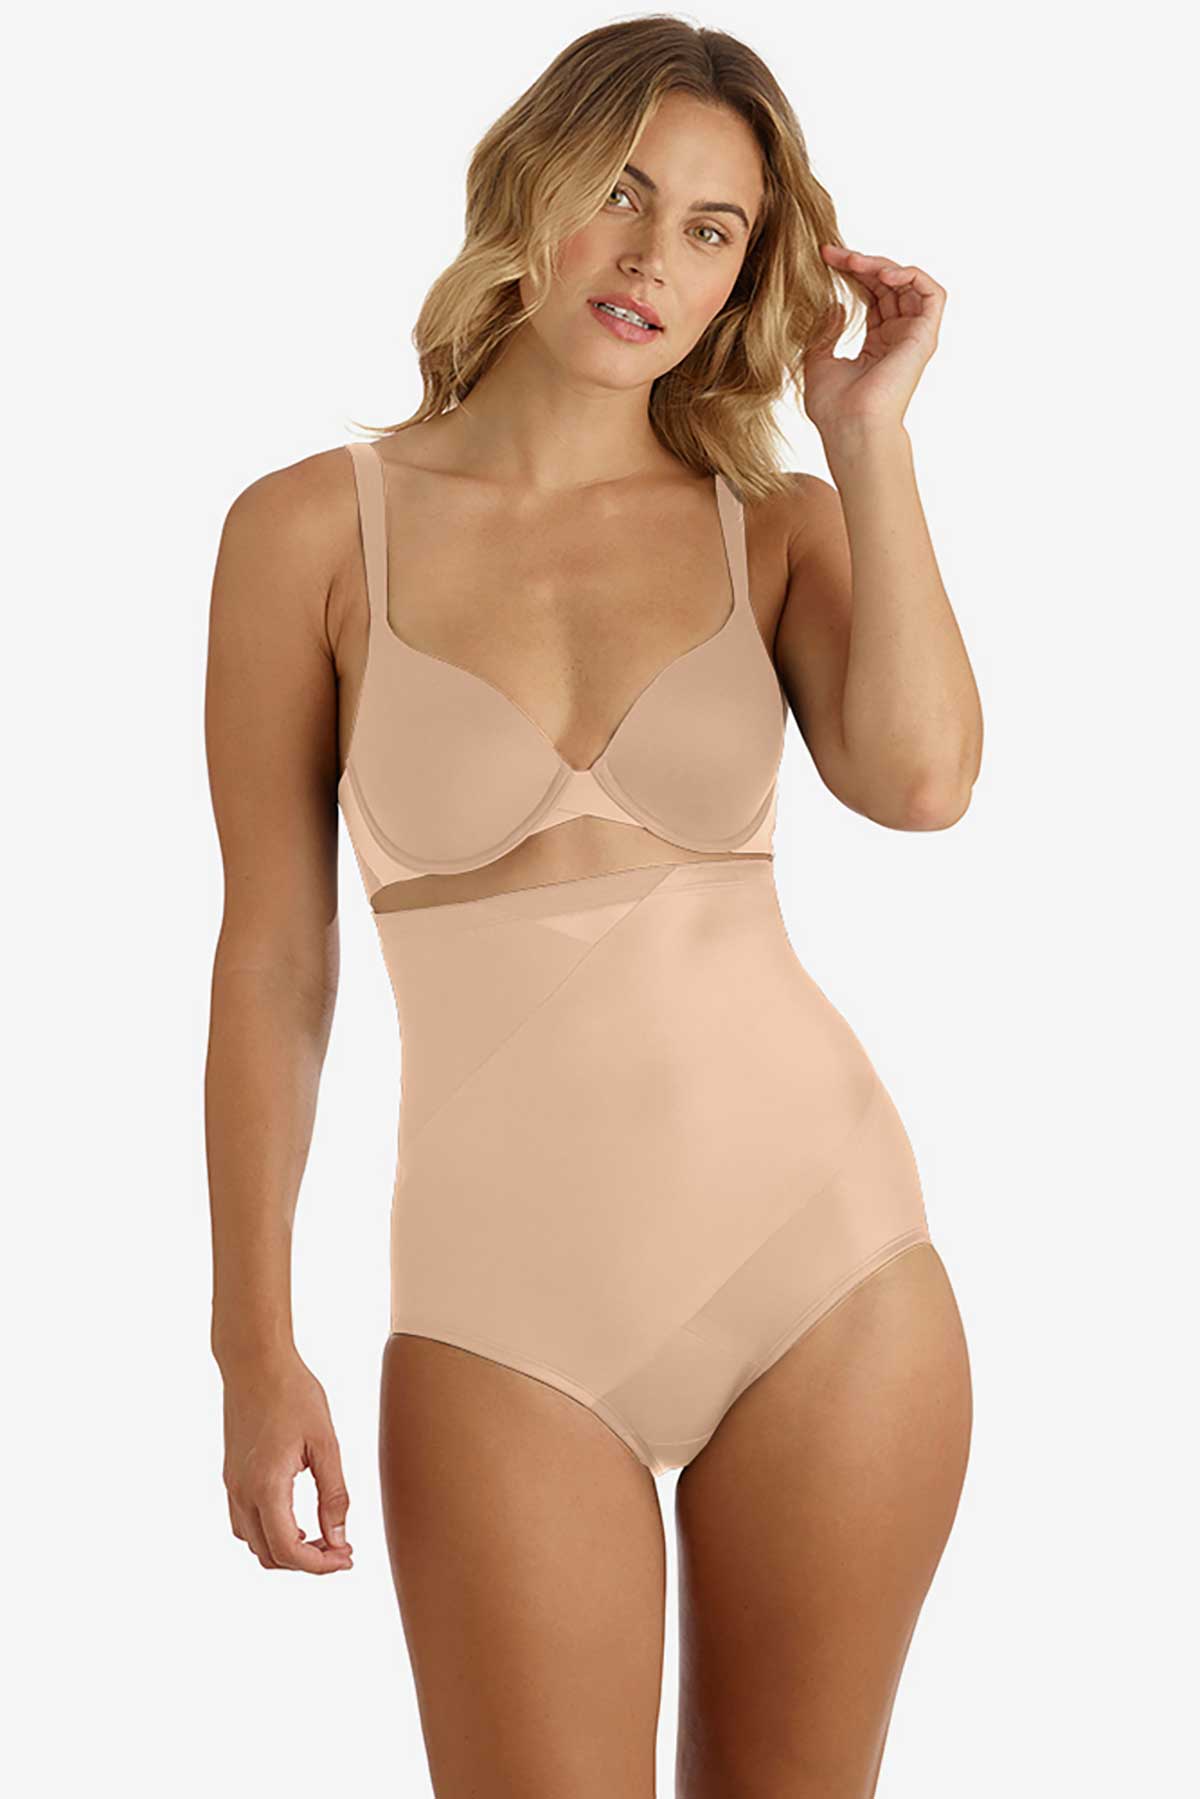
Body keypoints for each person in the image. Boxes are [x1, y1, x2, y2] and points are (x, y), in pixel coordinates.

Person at [204, 18, 978, 1795]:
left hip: (830, 1266)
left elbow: (925, 783)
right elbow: (273, 961)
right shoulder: (308, 532)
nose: (651, 258)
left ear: (746, 277)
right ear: (527, 185)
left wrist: (867, 435)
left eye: (712, 228)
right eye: (622, 193)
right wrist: (254, 1342)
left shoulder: (773, 524)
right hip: (502, 1314)